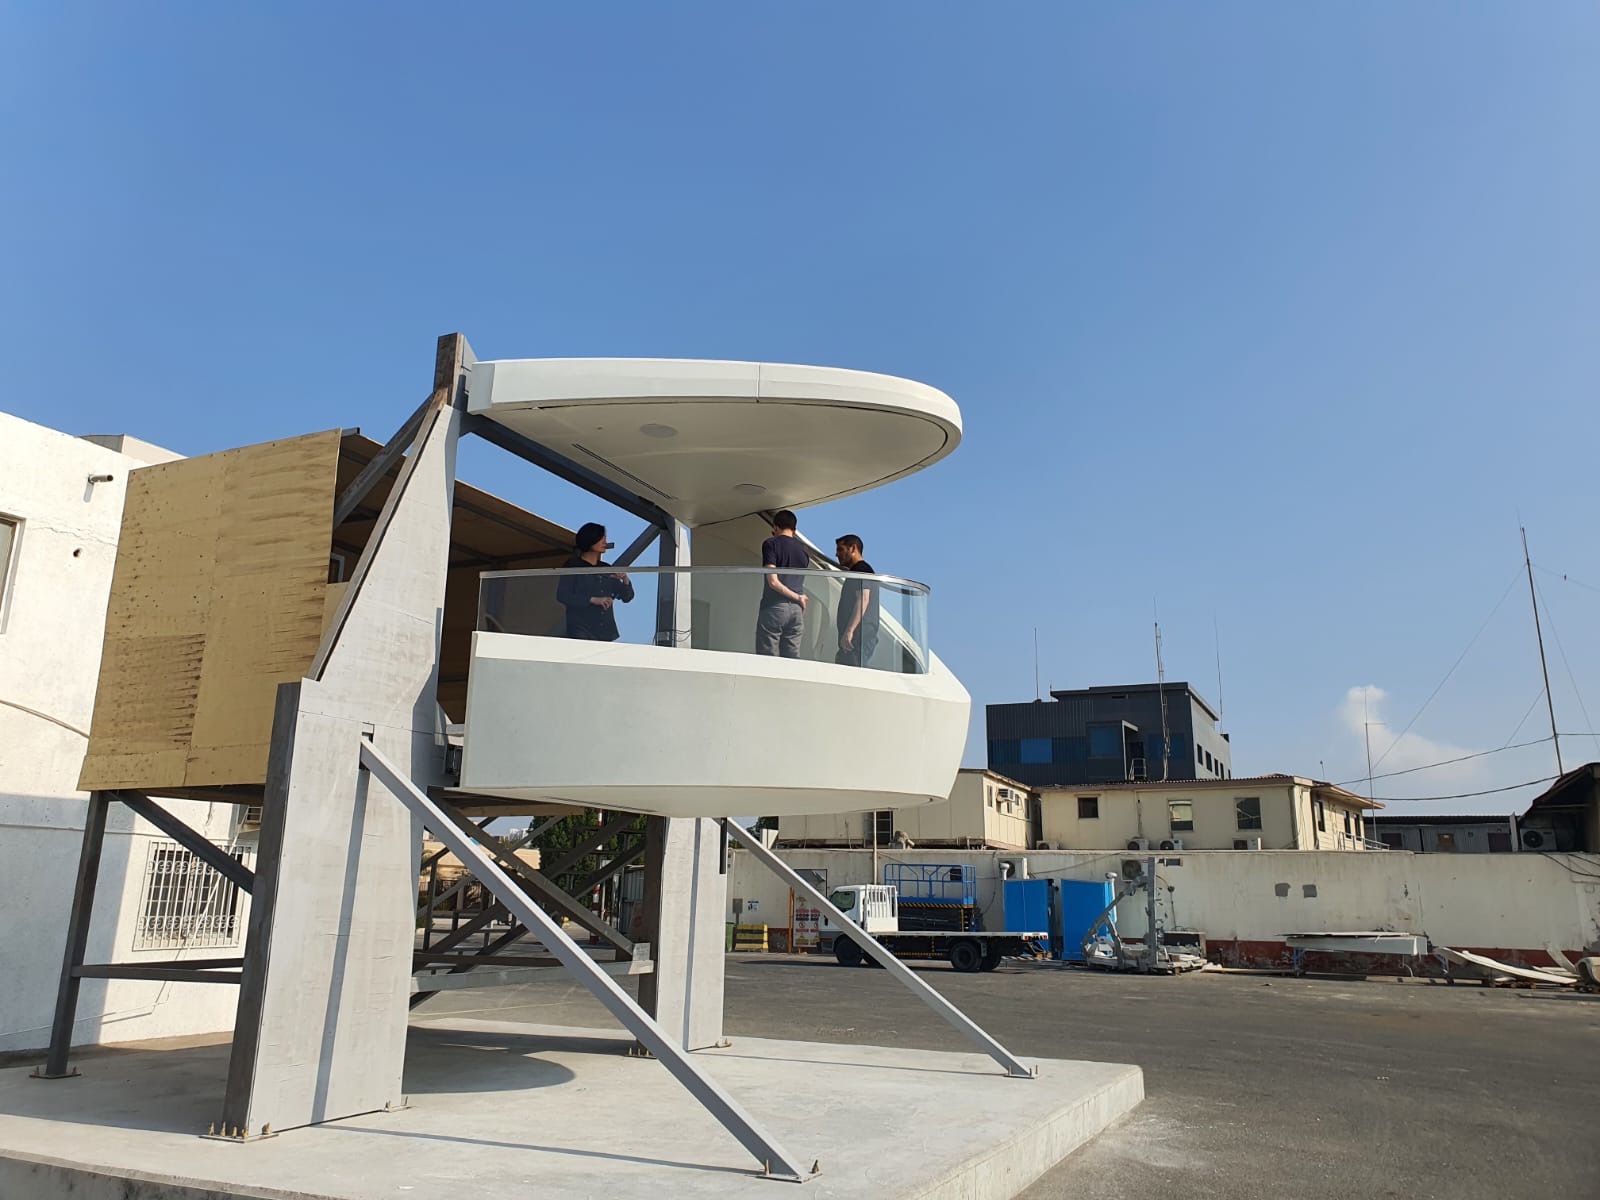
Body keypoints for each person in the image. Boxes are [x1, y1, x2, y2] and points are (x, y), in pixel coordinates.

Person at [556, 522, 634, 640]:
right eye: (601, 538)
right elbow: (563, 595)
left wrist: (625, 579)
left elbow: (627, 597)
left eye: (605, 538)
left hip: (605, 631)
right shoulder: (573, 566)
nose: (604, 542)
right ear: (590, 539)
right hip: (581, 629)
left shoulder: (606, 568)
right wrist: (592, 600)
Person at [755, 510, 808, 657]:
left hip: (775, 606)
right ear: (794, 530)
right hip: (797, 611)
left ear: (775, 527)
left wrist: (797, 597)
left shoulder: (771, 544)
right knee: (791, 660)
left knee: (767, 658)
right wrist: (798, 598)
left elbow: (773, 581)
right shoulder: (803, 551)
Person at [834, 533, 880, 667]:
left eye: (840, 550)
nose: (836, 554)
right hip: (855, 638)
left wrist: (849, 631)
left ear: (853, 548)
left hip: (857, 639)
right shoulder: (859, 571)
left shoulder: (862, 570)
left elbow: (863, 599)